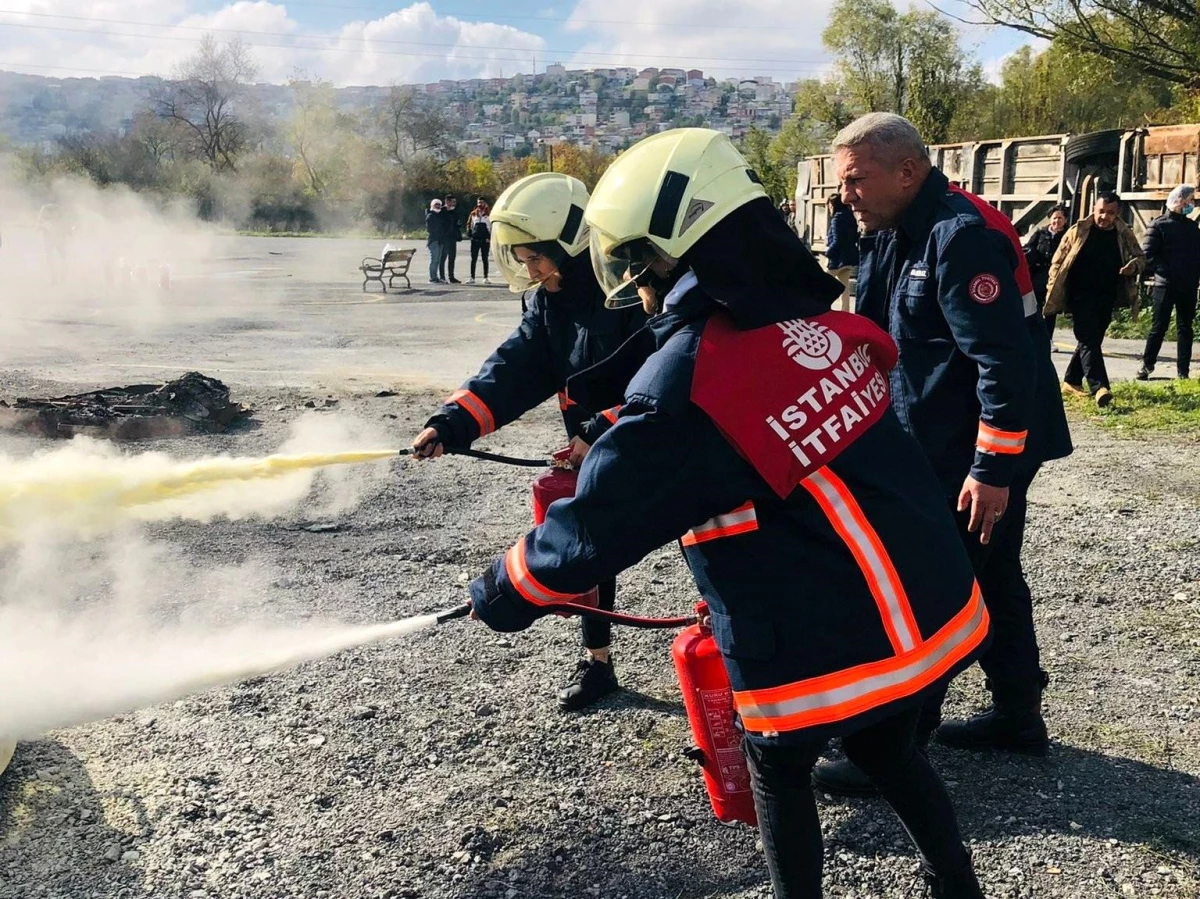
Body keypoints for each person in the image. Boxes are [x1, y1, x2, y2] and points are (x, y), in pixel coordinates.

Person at [468, 129, 989, 899]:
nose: (637, 285)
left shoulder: (690, 381)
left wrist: (498, 592)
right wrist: (623, 431)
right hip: (922, 600)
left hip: (815, 628)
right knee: (887, 749)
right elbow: (743, 432)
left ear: (674, 256)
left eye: (640, 265)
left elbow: (595, 528)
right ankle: (957, 886)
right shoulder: (807, 324)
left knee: (778, 766)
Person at [812, 112, 1073, 798]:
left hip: (984, 447)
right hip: (949, 442)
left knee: (938, 584)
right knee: (992, 576)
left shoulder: (960, 236)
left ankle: (895, 746)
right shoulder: (896, 232)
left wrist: (991, 470)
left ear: (906, 171)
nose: (846, 194)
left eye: (856, 179)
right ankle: (1019, 715)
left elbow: (1003, 364)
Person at [412, 172, 646, 710]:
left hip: (657, 441)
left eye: (535, 257)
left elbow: (662, 377)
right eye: (520, 258)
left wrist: (602, 427)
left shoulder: (628, 292)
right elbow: (516, 366)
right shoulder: (550, 300)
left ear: (568, 244)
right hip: (594, 445)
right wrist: (453, 422)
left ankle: (737, 673)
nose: (528, 270)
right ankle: (598, 663)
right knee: (590, 549)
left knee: (708, 552)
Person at [1044, 191, 1145, 407]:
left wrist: (1133, 267)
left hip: (1107, 295)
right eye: (1101, 211)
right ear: (1093, 209)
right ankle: (1100, 387)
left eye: (1110, 213)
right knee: (1088, 338)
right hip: (1079, 295)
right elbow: (1057, 261)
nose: (1104, 217)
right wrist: (1054, 288)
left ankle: (1071, 380)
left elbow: (1140, 258)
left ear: (1116, 214)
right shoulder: (1078, 231)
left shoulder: (1123, 233)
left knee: (1092, 340)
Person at [1137, 185, 1199, 381]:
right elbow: (1149, 255)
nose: (1192, 204)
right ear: (1180, 201)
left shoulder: (1191, 227)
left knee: (1185, 327)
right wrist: (1168, 273)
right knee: (1159, 326)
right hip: (1165, 284)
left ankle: (1183, 371)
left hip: (1188, 285)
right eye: (1190, 200)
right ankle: (1147, 365)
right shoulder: (1158, 225)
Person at [1024, 204, 1069, 341]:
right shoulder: (1039, 234)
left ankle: (1048, 339)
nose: (1057, 221)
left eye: (1060, 218)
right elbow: (1028, 250)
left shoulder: (1067, 236)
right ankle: (1033, 337)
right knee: (1034, 308)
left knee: (1051, 310)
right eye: (1055, 218)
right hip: (1038, 276)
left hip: (1056, 278)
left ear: (1065, 220)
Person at [824, 193, 859, 312]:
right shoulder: (850, 216)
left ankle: (822, 309)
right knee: (845, 288)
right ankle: (845, 311)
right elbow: (855, 236)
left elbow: (837, 240)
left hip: (837, 259)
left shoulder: (837, 218)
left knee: (823, 284)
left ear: (833, 205)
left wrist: (828, 252)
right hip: (849, 258)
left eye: (829, 204)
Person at [467, 198, 492, 285]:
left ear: (485, 203)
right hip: (475, 239)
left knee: (485, 258)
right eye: (478, 202)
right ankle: (472, 277)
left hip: (485, 240)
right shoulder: (473, 213)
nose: (479, 204)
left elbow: (492, 226)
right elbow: (469, 224)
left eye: (481, 202)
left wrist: (489, 237)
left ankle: (486, 277)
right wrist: (470, 235)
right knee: (473, 259)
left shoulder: (489, 214)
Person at [438, 195, 463, 283]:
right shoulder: (441, 211)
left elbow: (456, 223)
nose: (454, 204)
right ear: (447, 202)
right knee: (443, 257)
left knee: (452, 257)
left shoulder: (454, 212)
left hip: (452, 237)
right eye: (453, 202)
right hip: (444, 238)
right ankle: (442, 277)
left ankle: (451, 277)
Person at [425, 198, 447, 284]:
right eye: (436, 205)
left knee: (438, 260)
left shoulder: (440, 215)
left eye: (439, 205)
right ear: (432, 206)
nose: (438, 206)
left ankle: (435, 276)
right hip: (433, 241)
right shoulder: (430, 216)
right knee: (434, 260)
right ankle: (432, 278)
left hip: (440, 241)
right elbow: (430, 229)